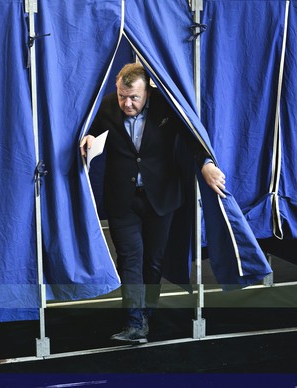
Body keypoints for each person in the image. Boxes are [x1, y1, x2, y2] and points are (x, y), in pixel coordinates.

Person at [79, 63, 226, 344]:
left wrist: (205, 164)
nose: (126, 103)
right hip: (123, 199)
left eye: (133, 97)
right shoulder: (109, 105)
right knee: (130, 260)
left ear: (147, 90)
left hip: (162, 196)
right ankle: (135, 322)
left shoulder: (166, 105)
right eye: (122, 95)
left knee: (153, 262)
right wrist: (88, 137)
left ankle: (146, 312)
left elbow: (190, 137)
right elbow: (93, 130)